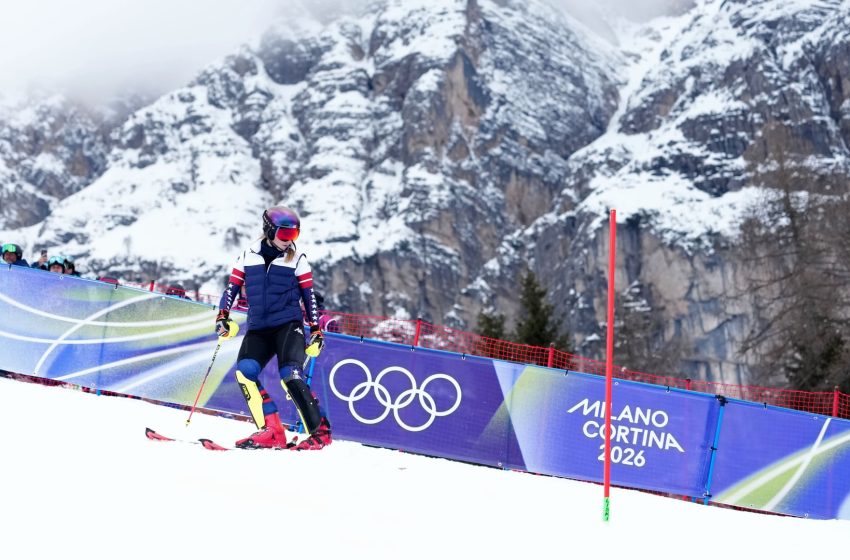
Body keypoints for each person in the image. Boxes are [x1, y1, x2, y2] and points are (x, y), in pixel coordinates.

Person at [215, 206, 331, 450]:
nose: (289, 240)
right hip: (259, 327)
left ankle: (320, 432)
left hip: (288, 325)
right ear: (269, 230)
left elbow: (309, 297)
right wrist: (222, 316)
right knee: (245, 372)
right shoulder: (248, 255)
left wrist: (315, 330)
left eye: (294, 235)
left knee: (290, 375)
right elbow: (232, 288)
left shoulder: (298, 260)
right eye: (285, 234)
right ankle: (272, 431)